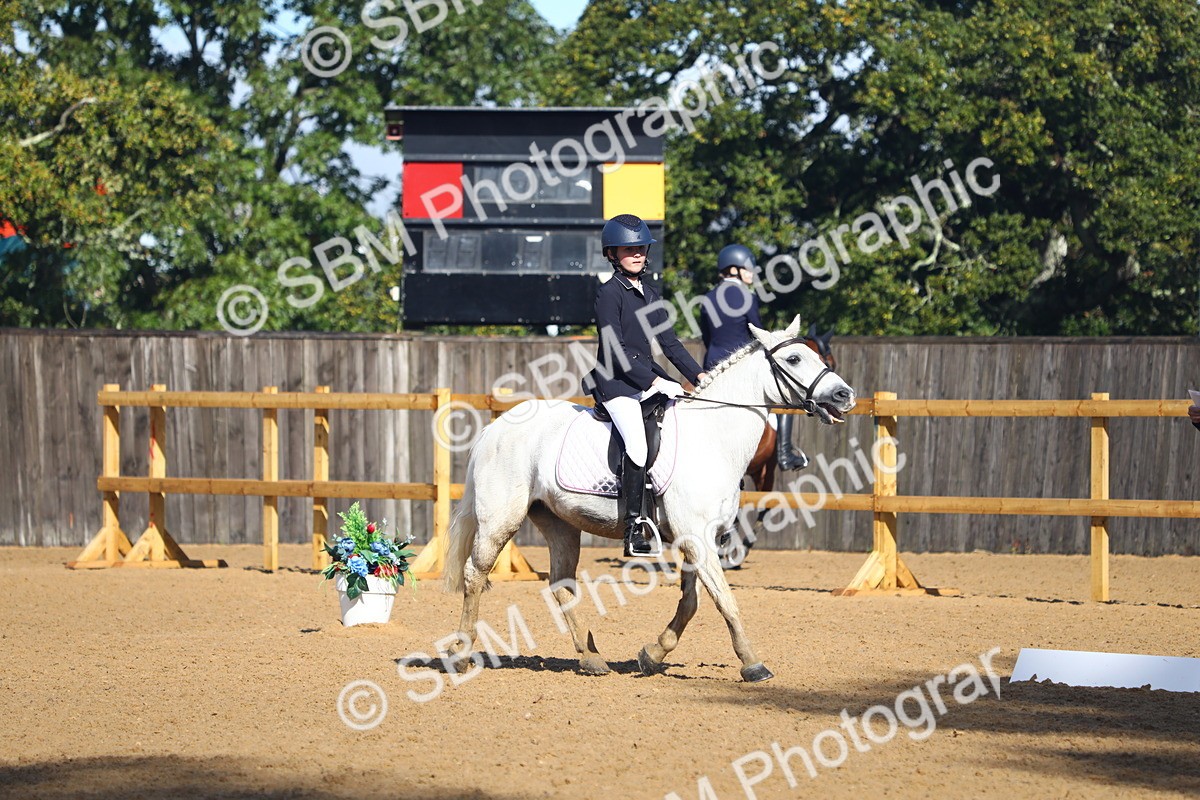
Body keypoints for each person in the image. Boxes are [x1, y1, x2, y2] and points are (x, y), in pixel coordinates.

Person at [585, 214, 707, 557]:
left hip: (646, 378)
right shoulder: (608, 294)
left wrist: (699, 376)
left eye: (641, 248)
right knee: (638, 445)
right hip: (616, 383)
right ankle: (634, 527)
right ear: (612, 254)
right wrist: (654, 381)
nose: (637, 254)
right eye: (629, 249)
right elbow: (615, 349)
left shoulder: (650, 293)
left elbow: (670, 344)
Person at [698, 244, 808, 471]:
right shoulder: (747, 297)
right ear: (735, 269)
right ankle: (785, 453)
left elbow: (707, 337)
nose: (753, 273)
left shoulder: (707, 298)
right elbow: (759, 335)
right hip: (741, 369)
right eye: (749, 269)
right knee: (785, 395)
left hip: (711, 368)